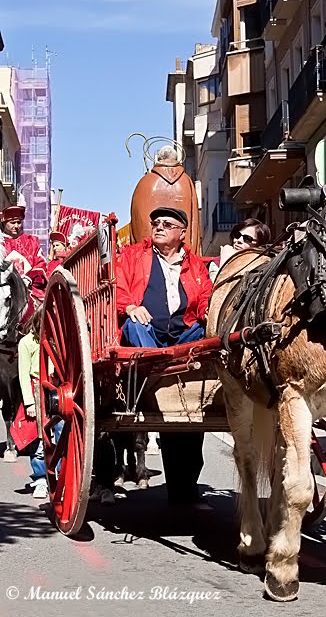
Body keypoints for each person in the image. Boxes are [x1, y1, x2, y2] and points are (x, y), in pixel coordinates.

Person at [116, 206, 213, 505]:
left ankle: (185, 491)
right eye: (155, 222)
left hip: (183, 336)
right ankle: (154, 377)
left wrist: (208, 313)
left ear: (182, 233)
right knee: (135, 325)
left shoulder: (196, 265)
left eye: (167, 224)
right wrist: (130, 306)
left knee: (204, 334)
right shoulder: (134, 255)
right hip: (147, 335)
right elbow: (117, 285)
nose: (158, 227)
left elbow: (206, 297)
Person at [18, 308, 62, 498]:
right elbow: (23, 374)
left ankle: (62, 474)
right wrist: (29, 402)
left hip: (58, 389)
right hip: (37, 389)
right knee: (37, 438)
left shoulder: (58, 341)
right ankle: (41, 478)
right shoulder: (26, 342)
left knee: (61, 432)